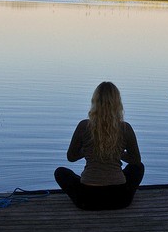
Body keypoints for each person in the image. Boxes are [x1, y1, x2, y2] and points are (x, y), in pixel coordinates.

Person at [54, 82, 145, 210]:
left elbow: (71, 157)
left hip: (87, 199)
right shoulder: (125, 128)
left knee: (61, 173)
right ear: (117, 103)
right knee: (138, 168)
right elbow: (136, 160)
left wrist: (85, 152)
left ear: (94, 101)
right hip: (120, 199)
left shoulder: (84, 126)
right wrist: (120, 153)